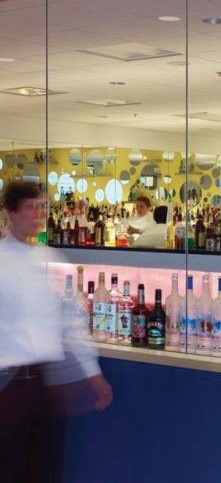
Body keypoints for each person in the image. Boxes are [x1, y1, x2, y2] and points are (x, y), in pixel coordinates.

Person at [0, 180, 112, 482]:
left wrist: (93, 373)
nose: (38, 214)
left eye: (41, 207)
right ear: (10, 212)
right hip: (6, 385)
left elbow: (73, 321)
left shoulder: (52, 261)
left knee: (45, 469)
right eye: (30, 207)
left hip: (43, 383)